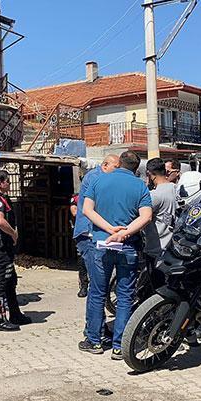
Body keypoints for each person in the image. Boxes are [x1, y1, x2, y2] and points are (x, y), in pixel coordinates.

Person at [80, 151, 152, 359]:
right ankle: (120, 346)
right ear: (136, 169)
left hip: (100, 244)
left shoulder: (100, 180)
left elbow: (87, 210)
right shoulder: (140, 186)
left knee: (97, 293)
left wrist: (110, 230)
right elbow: (146, 216)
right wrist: (124, 232)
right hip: (127, 246)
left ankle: (94, 341)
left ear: (119, 163)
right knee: (125, 296)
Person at [0, 170, 31, 331]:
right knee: (1, 283)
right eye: (8, 182)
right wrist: (13, 233)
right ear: (0, 183)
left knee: (10, 280)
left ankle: (15, 313)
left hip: (3, 247)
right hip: (0, 246)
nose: (10, 184)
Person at [71, 155, 120, 299]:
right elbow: (95, 206)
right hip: (89, 233)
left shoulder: (105, 177)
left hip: (99, 233)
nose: (117, 171)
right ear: (105, 165)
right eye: (116, 167)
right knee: (96, 280)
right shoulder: (95, 177)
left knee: (101, 278)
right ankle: (95, 320)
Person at [143, 158, 177, 261]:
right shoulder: (176, 188)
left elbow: (141, 216)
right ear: (165, 172)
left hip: (156, 249)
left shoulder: (154, 195)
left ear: (149, 173)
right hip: (174, 247)